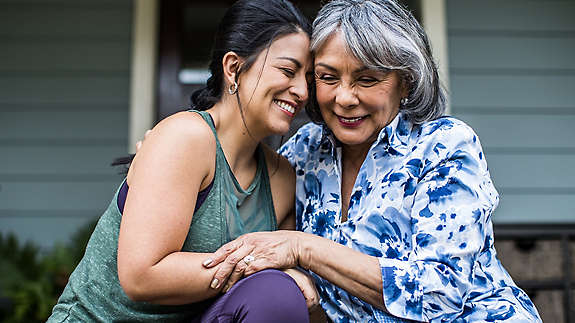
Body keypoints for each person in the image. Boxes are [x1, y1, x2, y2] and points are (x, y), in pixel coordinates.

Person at [201, 0, 543, 322]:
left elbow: (439, 293)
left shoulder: (444, 145)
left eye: (367, 79)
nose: (345, 98)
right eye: (328, 77)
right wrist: (178, 154)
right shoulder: (304, 151)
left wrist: (303, 249)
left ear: (405, 82)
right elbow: (245, 228)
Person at [47, 0, 319, 322]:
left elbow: (278, 288)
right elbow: (141, 276)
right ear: (233, 68)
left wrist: (285, 275)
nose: (302, 90)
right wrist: (260, 268)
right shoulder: (187, 138)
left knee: (277, 295)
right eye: (288, 71)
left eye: (309, 77)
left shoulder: (281, 178)